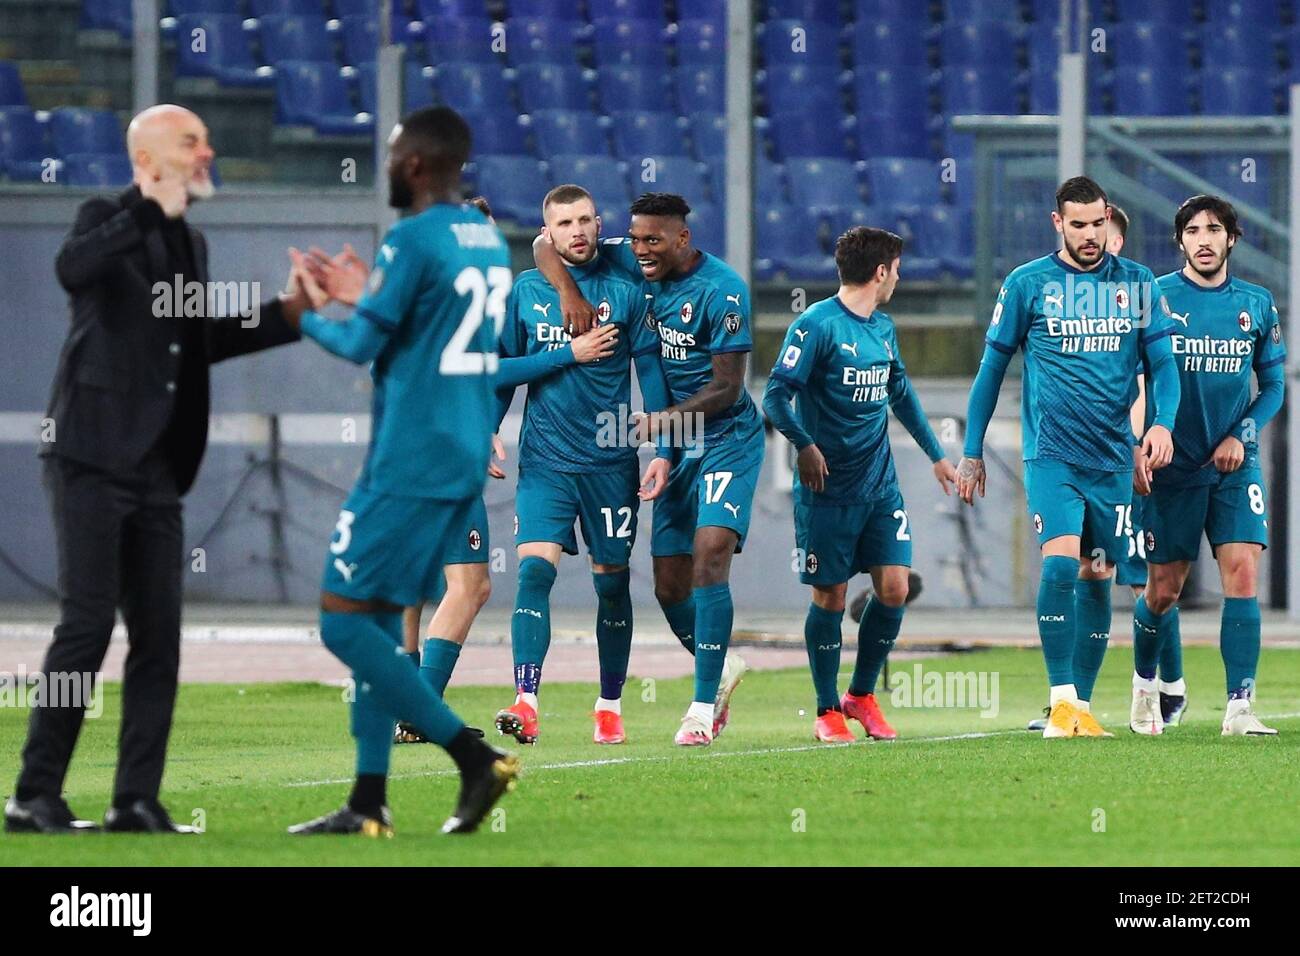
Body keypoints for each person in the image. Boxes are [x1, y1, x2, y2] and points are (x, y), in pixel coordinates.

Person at [5, 105, 304, 835]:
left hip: (158, 471)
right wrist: (144, 208)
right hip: (89, 455)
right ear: (149, 160)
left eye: (205, 139)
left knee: (159, 639)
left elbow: (200, 338)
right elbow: (73, 269)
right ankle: (33, 794)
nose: (207, 152)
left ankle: (134, 800)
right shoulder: (106, 215)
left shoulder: (190, 241)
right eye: (191, 142)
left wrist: (293, 312)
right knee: (85, 628)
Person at [284, 107, 518, 837]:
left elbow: (358, 346)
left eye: (390, 155)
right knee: (382, 623)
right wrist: (368, 295)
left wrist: (304, 314)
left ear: (414, 164)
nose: (384, 166)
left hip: (409, 459)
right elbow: (423, 330)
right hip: (459, 448)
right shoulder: (485, 238)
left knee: (341, 620)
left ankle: (470, 756)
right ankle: (367, 802)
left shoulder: (412, 238)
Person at [534, 193, 763, 747]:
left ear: (682, 238)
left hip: (726, 434)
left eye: (652, 241)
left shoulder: (724, 289)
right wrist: (568, 291)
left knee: (710, 549)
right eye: (634, 239)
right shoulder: (626, 258)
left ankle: (701, 708)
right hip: (678, 441)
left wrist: (659, 422)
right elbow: (544, 245)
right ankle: (724, 666)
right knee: (667, 586)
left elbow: (728, 387)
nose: (640, 251)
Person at [957, 176, 1181, 738]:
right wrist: (971, 449)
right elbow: (992, 369)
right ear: (1058, 223)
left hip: (1111, 459)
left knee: (1098, 575)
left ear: (1109, 220)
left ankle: (1079, 705)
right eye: (1077, 224)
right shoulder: (1027, 284)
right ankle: (1060, 702)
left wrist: (1160, 424)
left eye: (1097, 223)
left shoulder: (1138, 283)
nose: (1089, 234)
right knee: (1059, 563)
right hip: (1051, 453)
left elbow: (1164, 368)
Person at [493, 184, 671, 746]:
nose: (576, 231)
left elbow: (652, 370)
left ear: (600, 225)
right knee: (533, 573)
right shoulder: (526, 291)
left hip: (611, 462)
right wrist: (486, 430)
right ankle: (526, 702)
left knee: (611, 586)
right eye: (564, 223)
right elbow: (500, 371)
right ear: (548, 231)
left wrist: (664, 447)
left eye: (585, 220)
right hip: (545, 461)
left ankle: (609, 704)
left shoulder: (627, 289)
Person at [763, 227, 957, 742]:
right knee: (830, 596)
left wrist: (937, 456)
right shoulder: (815, 325)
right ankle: (827, 709)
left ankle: (861, 695)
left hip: (880, 486)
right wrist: (803, 444)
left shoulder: (884, 329)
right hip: (828, 489)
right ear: (881, 271)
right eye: (896, 268)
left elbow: (902, 395)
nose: (898, 277)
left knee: (893, 586)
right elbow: (775, 396)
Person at [1131, 195, 1285, 736]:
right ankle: (1145, 682)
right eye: (1192, 230)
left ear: (1231, 240)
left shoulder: (1258, 304)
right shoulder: (1155, 297)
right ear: (1180, 241)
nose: (1202, 239)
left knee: (1242, 575)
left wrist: (1241, 434)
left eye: (1213, 229)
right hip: (1171, 467)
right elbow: (1131, 378)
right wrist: (1135, 443)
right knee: (1163, 591)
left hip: (1233, 466)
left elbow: (1273, 387)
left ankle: (1239, 708)